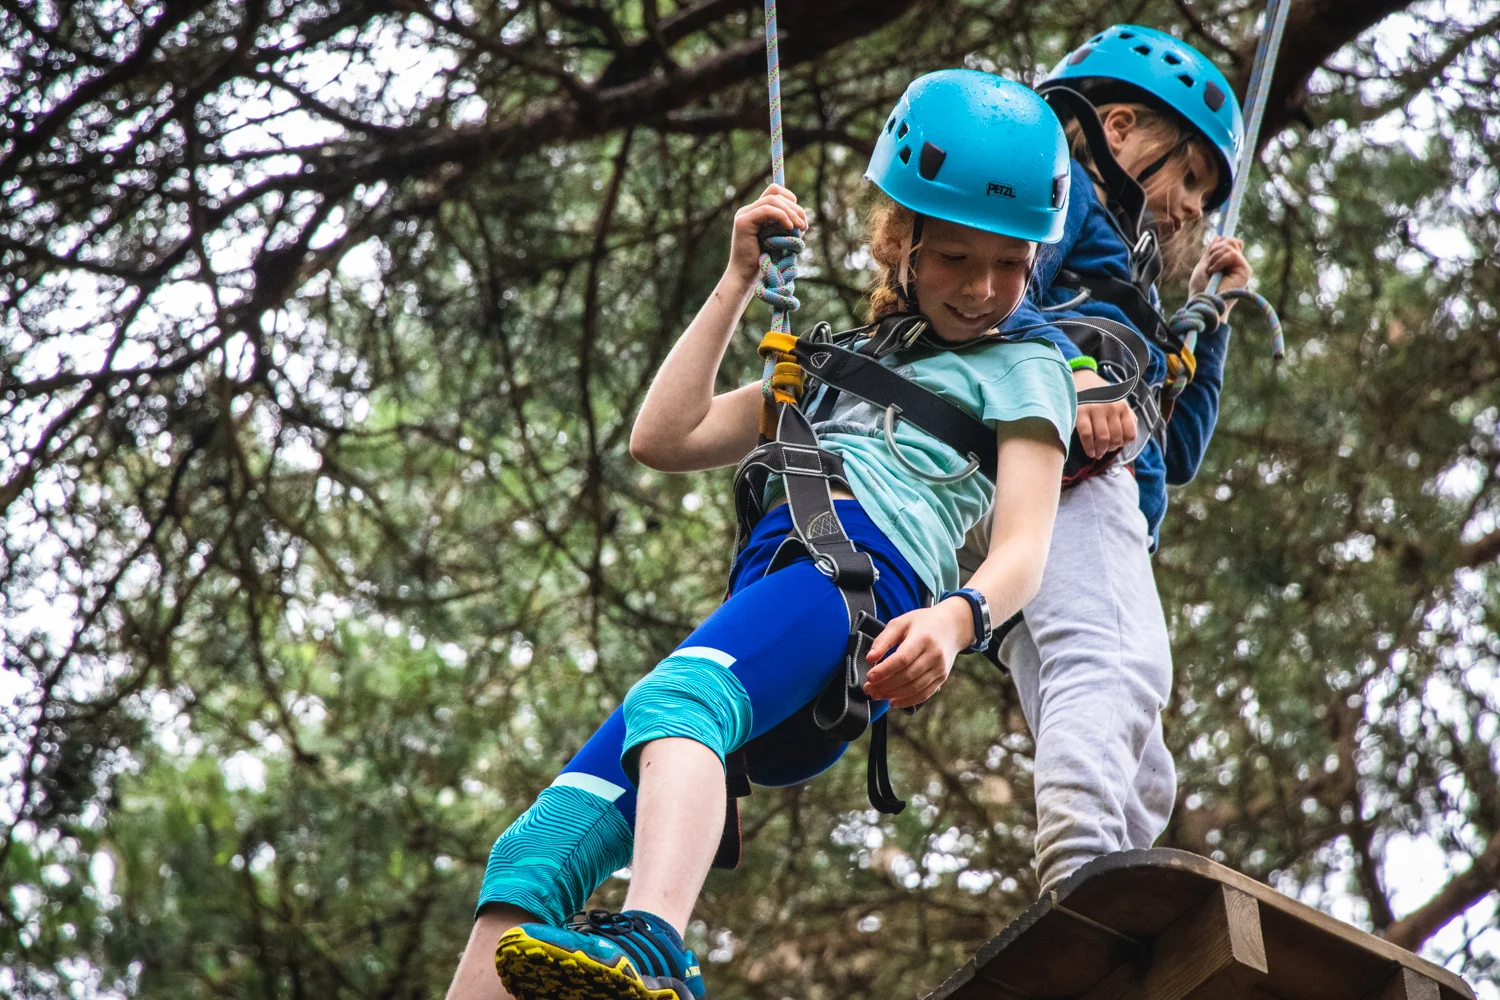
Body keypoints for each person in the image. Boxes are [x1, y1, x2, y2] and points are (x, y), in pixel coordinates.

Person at [444, 70, 1079, 1000]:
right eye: (954, 258)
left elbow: (1024, 544)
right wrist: (738, 280)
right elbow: (664, 438)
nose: (984, 289)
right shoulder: (837, 365)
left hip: (859, 585)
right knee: (543, 841)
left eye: (1010, 264)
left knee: (681, 699)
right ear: (899, 244)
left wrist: (956, 621)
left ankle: (655, 942)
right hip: (779, 600)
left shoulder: (1028, 368)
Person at [977, 24, 1256, 892]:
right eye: (1189, 176)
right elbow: (995, 298)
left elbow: (1173, 457)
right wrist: (1075, 375)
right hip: (1054, 469)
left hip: (1066, 498)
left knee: (1142, 760)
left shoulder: (1124, 290)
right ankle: (1084, 871)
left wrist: (1207, 327)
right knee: (1119, 663)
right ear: (1124, 128)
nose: (1190, 209)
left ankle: (1117, 877)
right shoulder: (1058, 197)